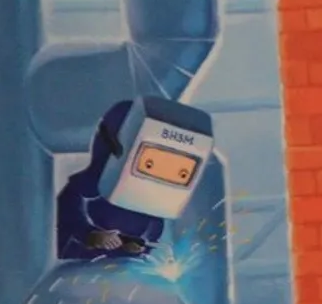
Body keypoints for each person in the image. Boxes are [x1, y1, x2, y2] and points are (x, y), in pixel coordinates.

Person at [56, 98, 214, 260]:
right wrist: (93, 236)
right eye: (149, 164)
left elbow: (151, 237)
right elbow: (67, 220)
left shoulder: (153, 208)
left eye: (181, 173)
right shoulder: (82, 190)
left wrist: (137, 247)